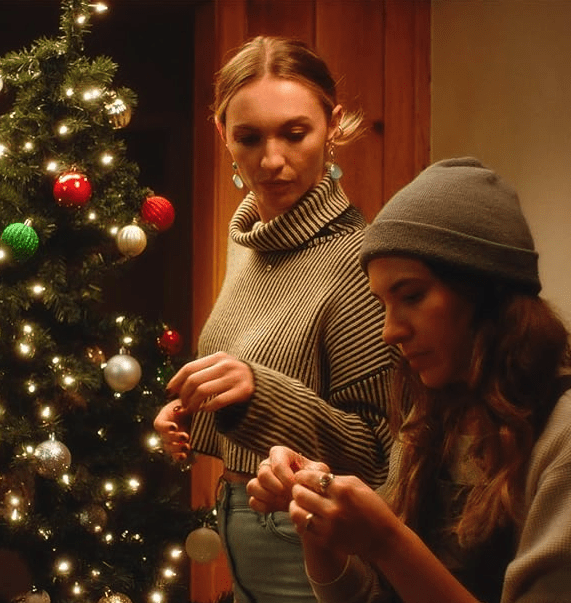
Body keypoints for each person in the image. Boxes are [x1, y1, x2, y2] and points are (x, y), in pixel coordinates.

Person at [247, 157, 571, 602]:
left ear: (487, 293)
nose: (390, 330)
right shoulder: (429, 425)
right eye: (383, 303)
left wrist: (386, 541)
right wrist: (316, 525)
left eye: (411, 296)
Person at [153, 36, 396, 603]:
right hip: (236, 526)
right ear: (222, 134)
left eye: (294, 133)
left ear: (332, 126)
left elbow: (379, 453)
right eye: (248, 137)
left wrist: (257, 392)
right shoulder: (247, 244)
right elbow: (254, 386)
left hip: (311, 538)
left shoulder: (358, 260)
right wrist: (195, 412)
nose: (271, 161)